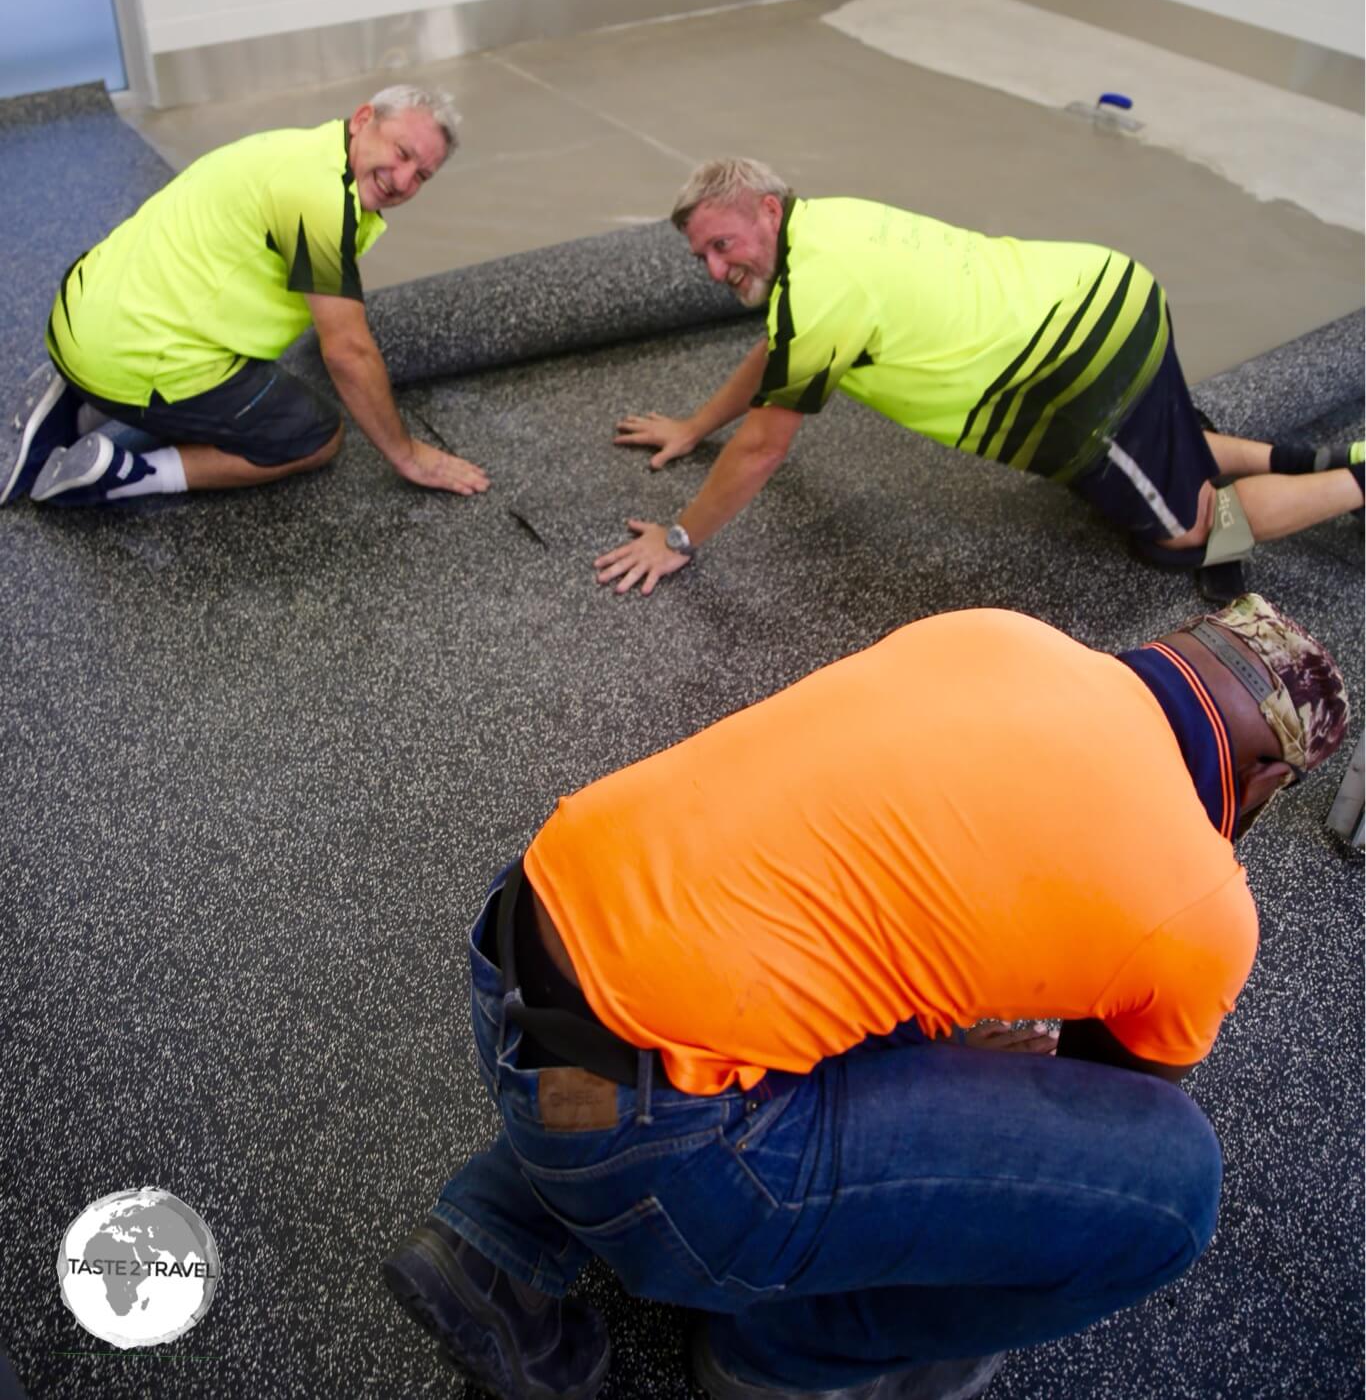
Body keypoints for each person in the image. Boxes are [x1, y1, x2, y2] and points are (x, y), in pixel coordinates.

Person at [381, 594, 1348, 1400]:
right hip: (659, 1148)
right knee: (1172, 1186)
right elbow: (1115, 1103)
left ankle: (497, 1234)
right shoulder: (1203, 905)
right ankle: (789, 1360)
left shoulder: (1001, 634)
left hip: (517, 970)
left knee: (819, 953)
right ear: (1264, 778)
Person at [595, 160, 1364, 596]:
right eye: (702, 258)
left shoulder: (820, 290)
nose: (717, 269)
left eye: (724, 245)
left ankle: (1357, 482)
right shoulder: (823, 224)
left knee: (1186, 538)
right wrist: (696, 424)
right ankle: (1312, 460)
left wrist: (680, 538)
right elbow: (779, 355)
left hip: (1079, 377)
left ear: (766, 209)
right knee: (1175, 441)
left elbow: (764, 446)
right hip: (1109, 288)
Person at [1, 86, 489, 509]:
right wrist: (405, 453)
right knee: (314, 437)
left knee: (228, 368)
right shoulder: (316, 198)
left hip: (82, 313)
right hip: (134, 355)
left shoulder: (298, 150)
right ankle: (122, 475)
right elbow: (346, 350)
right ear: (364, 119)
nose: (403, 181)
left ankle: (79, 402)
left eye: (422, 175)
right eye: (402, 153)